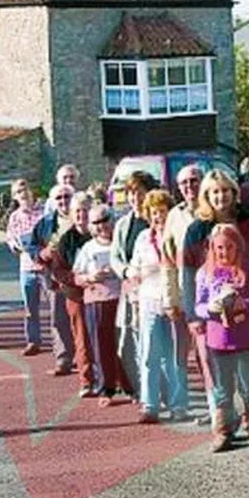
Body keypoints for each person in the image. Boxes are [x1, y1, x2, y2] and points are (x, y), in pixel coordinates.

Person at [179, 170, 249, 430]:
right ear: (206, 196)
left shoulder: (248, 220)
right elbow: (188, 274)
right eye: (214, 191)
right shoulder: (197, 230)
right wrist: (193, 315)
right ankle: (223, 426)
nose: (220, 196)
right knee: (217, 372)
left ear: (233, 192)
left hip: (245, 309)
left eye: (225, 190)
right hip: (210, 314)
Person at [196, 224, 249, 452]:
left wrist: (242, 304)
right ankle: (224, 431)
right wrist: (210, 308)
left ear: (238, 247)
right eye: (218, 247)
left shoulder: (247, 269)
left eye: (229, 247)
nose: (223, 252)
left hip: (245, 339)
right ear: (212, 249)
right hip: (218, 340)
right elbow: (198, 305)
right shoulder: (205, 273)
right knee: (222, 390)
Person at [129, 189, 189, 423]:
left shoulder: (177, 234)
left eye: (162, 212)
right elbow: (134, 266)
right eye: (153, 213)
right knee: (149, 354)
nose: (158, 217)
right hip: (149, 300)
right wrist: (135, 273)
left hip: (175, 301)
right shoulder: (143, 238)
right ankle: (150, 404)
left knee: (175, 357)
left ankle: (178, 404)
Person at [73, 204, 132, 406]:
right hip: (97, 302)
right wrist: (91, 277)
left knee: (126, 346)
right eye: (96, 222)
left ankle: (131, 387)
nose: (101, 226)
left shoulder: (121, 243)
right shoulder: (88, 248)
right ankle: (106, 389)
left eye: (105, 219)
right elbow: (76, 276)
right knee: (101, 347)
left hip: (122, 300)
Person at [162, 164, 207, 422]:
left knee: (208, 354)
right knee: (180, 354)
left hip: (209, 293)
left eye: (194, 180)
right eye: (184, 183)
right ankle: (181, 404)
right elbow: (167, 261)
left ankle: (217, 407)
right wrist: (170, 299)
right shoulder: (174, 216)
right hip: (183, 293)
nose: (190, 187)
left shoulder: (210, 210)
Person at [111, 172, 159, 402]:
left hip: (154, 289)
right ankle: (138, 388)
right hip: (131, 289)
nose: (135, 198)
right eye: (131, 193)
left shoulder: (157, 220)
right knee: (128, 341)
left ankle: (158, 391)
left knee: (154, 342)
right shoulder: (122, 224)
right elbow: (115, 257)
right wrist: (127, 272)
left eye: (139, 192)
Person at [43, 193, 96, 397]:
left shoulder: (101, 232)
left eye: (85, 210)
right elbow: (58, 271)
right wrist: (77, 280)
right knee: (82, 338)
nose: (82, 215)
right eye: (78, 211)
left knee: (105, 336)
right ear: (72, 215)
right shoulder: (66, 239)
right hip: (77, 296)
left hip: (103, 294)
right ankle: (86, 381)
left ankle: (110, 379)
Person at [29, 184, 77, 374]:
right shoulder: (46, 222)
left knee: (81, 318)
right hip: (55, 277)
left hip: (79, 276)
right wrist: (41, 253)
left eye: (67, 196)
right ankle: (64, 358)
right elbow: (31, 246)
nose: (63, 201)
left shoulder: (81, 218)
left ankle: (85, 357)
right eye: (59, 198)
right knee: (58, 318)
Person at [7, 179, 48, 356]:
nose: (22, 194)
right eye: (18, 192)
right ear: (14, 197)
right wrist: (16, 245)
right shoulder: (14, 217)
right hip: (27, 267)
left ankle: (62, 342)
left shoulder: (44, 211)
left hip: (46, 266)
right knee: (31, 309)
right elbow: (10, 238)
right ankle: (33, 341)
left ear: (31, 191)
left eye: (24, 189)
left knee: (56, 307)